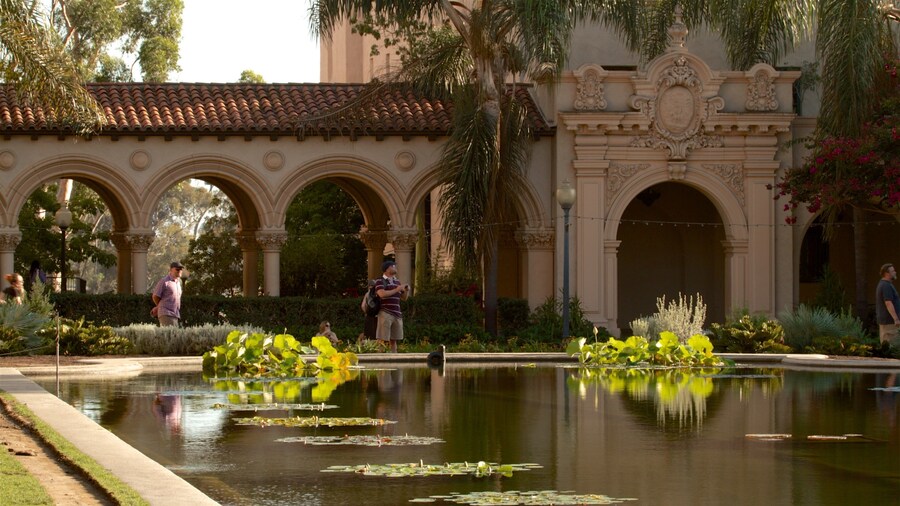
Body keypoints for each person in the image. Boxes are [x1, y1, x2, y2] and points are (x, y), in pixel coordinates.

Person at [374, 260, 409, 353]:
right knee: (382, 339)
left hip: (397, 314)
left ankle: (394, 358)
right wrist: (397, 289)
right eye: (393, 266)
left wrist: (406, 290)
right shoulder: (380, 280)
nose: (395, 268)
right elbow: (381, 294)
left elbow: (404, 298)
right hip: (385, 312)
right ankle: (379, 359)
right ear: (387, 268)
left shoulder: (397, 281)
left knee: (394, 340)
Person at [152, 261, 184, 327]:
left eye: (181, 269)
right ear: (170, 270)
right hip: (166, 313)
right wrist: (161, 306)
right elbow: (155, 296)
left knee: (174, 336)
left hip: (175, 314)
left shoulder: (178, 283)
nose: (179, 271)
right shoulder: (164, 281)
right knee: (169, 335)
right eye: (177, 269)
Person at [876, 263, 900, 346]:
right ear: (887, 273)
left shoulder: (886, 284)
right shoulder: (886, 286)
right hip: (889, 322)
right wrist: (896, 319)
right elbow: (888, 302)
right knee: (892, 345)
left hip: (889, 321)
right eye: (893, 271)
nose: (895, 272)